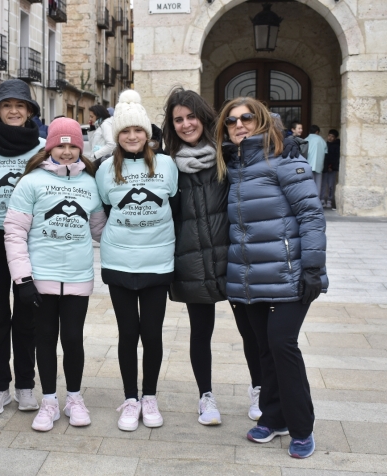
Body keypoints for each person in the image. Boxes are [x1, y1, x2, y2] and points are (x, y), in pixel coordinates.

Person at [216, 97, 328, 459]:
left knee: (282, 346)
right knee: (264, 350)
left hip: (288, 275)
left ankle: (301, 426)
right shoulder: (232, 166)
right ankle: (273, 417)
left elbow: (311, 215)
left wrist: (312, 268)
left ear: (262, 121)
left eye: (247, 118)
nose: (239, 125)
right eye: (231, 121)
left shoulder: (285, 160)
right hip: (248, 278)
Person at [161, 88, 262, 426]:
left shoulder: (227, 155)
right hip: (190, 259)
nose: (186, 124)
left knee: (251, 330)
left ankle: (259, 388)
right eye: (178, 119)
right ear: (171, 125)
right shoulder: (166, 166)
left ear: (203, 118)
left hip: (233, 257)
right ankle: (206, 397)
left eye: (191, 116)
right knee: (200, 331)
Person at [4, 118, 107, 431]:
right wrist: (22, 279)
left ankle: (74, 398)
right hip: (40, 278)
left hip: (77, 277)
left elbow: (100, 229)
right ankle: (48, 400)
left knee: (73, 339)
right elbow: (14, 231)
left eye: (72, 145)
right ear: (49, 146)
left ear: (80, 147)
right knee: (45, 339)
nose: (66, 151)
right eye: (60, 145)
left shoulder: (90, 182)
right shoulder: (31, 181)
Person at [96, 90, 178, 432]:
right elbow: (101, 211)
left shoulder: (167, 165)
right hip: (119, 262)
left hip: (158, 262)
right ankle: (131, 398)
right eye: (125, 131)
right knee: (128, 333)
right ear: (117, 136)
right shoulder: (104, 170)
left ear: (148, 134)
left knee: (153, 334)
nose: (132, 136)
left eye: (138, 130)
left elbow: (176, 203)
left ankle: (150, 396)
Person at [0, 79, 46, 414]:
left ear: (30, 111)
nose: (14, 111)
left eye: (20, 105)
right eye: (7, 105)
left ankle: (26, 386)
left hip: (31, 243)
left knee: (28, 318)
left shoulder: (44, 148)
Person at [305, 125, 327, 200]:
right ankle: (317, 200)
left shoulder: (306, 140)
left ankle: (310, 200)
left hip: (308, 164)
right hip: (319, 165)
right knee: (318, 184)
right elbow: (325, 152)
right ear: (317, 132)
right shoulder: (321, 140)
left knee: (309, 184)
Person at [321, 129, 340, 209]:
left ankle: (329, 200)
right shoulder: (325, 144)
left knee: (331, 185)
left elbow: (335, 158)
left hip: (332, 168)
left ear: (335, 138)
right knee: (323, 184)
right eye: (329, 136)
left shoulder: (336, 146)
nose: (330, 138)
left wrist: (331, 166)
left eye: (332, 137)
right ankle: (322, 199)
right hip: (325, 168)